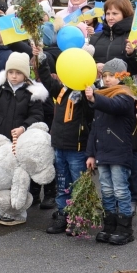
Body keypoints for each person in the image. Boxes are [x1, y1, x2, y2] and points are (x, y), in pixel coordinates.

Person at [0, 52, 48, 225]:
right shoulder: (0, 87)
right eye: (11, 72)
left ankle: (18, 212)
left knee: (17, 177)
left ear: (25, 74)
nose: (14, 76)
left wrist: (23, 127)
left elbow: (37, 115)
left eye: (18, 73)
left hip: (18, 142)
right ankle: (1, 208)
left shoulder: (32, 93)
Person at [34, 44, 94, 234]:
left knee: (78, 185)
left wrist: (91, 95)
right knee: (62, 184)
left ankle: (79, 217)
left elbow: (92, 114)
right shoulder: (60, 90)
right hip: (59, 146)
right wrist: (40, 57)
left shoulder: (85, 94)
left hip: (77, 149)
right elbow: (45, 77)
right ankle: (63, 214)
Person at [85, 58, 137, 245]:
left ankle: (125, 228)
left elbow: (115, 106)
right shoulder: (102, 96)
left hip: (119, 151)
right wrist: (91, 153)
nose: (107, 79)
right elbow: (95, 128)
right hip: (103, 152)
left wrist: (94, 98)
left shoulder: (125, 95)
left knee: (121, 190)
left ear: (121, 77)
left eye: (112, 76)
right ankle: (109, 225)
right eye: (104, 75)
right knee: (106, 190)